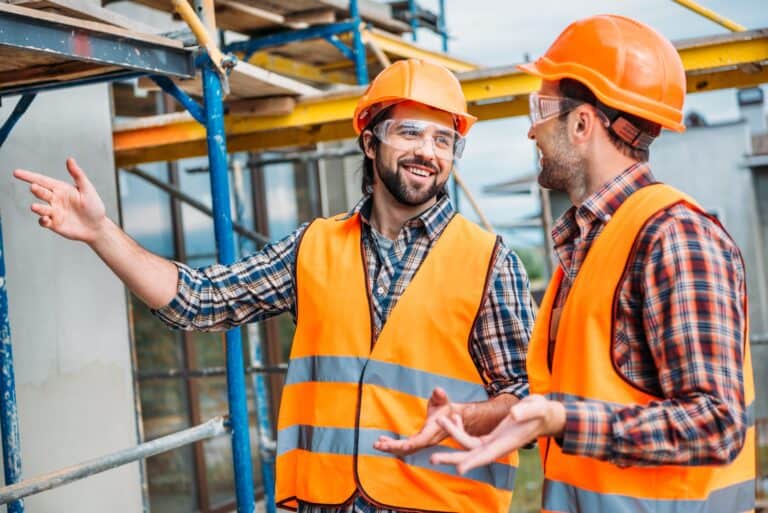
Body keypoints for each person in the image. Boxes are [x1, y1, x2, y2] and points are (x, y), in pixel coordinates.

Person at [14, 58, 535, 513]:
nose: (429, 151)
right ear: (370, 141)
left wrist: (462, 416)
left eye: (444, 139)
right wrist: (101, 232)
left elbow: (529, 397)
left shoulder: (488, 261)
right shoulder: (314, 246)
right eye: (411, 133)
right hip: (322, 503)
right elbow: (200, 301)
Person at [431, 15, 756, 513]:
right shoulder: (590, 245)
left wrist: (563, 420)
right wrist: (474, 417)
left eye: (540, 110)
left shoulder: (674, 237)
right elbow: (579, 399)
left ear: (582, 123)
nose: (531, 131)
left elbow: (715, 425)